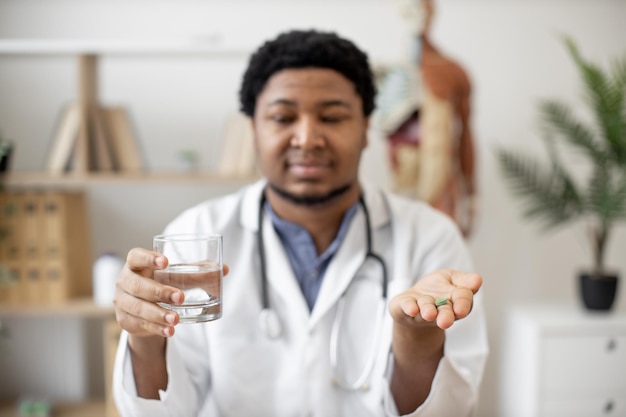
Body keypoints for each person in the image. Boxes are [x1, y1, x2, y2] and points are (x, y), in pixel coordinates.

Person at [112, 29, 488, 417]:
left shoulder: (430, 238)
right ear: (253, 130)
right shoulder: (192, 236)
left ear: (365, 130)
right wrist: (144, 338)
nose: (307, 138)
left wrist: (416, 338)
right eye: (283, 117)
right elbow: (162, 413)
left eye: (332, 117)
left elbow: (450, 411)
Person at [376, 0, 477, 237]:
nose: (416, 16)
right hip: (399, 181)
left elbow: (465, 135)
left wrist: (471, 194)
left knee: (443, 250)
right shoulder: (388, 73)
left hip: (440, 181)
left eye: (421, 9)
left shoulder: (451, 72)